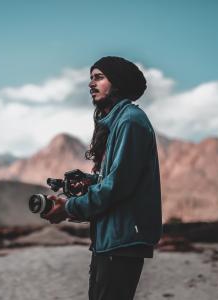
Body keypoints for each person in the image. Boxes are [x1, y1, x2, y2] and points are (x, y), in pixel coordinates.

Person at [43, 56, 162, 300]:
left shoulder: (130, 121)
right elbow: (114, 178)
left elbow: (117, 186)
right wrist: (89, 182)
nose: (90, 84)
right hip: (110, 239)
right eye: (91, 78)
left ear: (117, 83)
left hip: (122, 240)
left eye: (99, 77)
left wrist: (69, 207)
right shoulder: (118, 122)